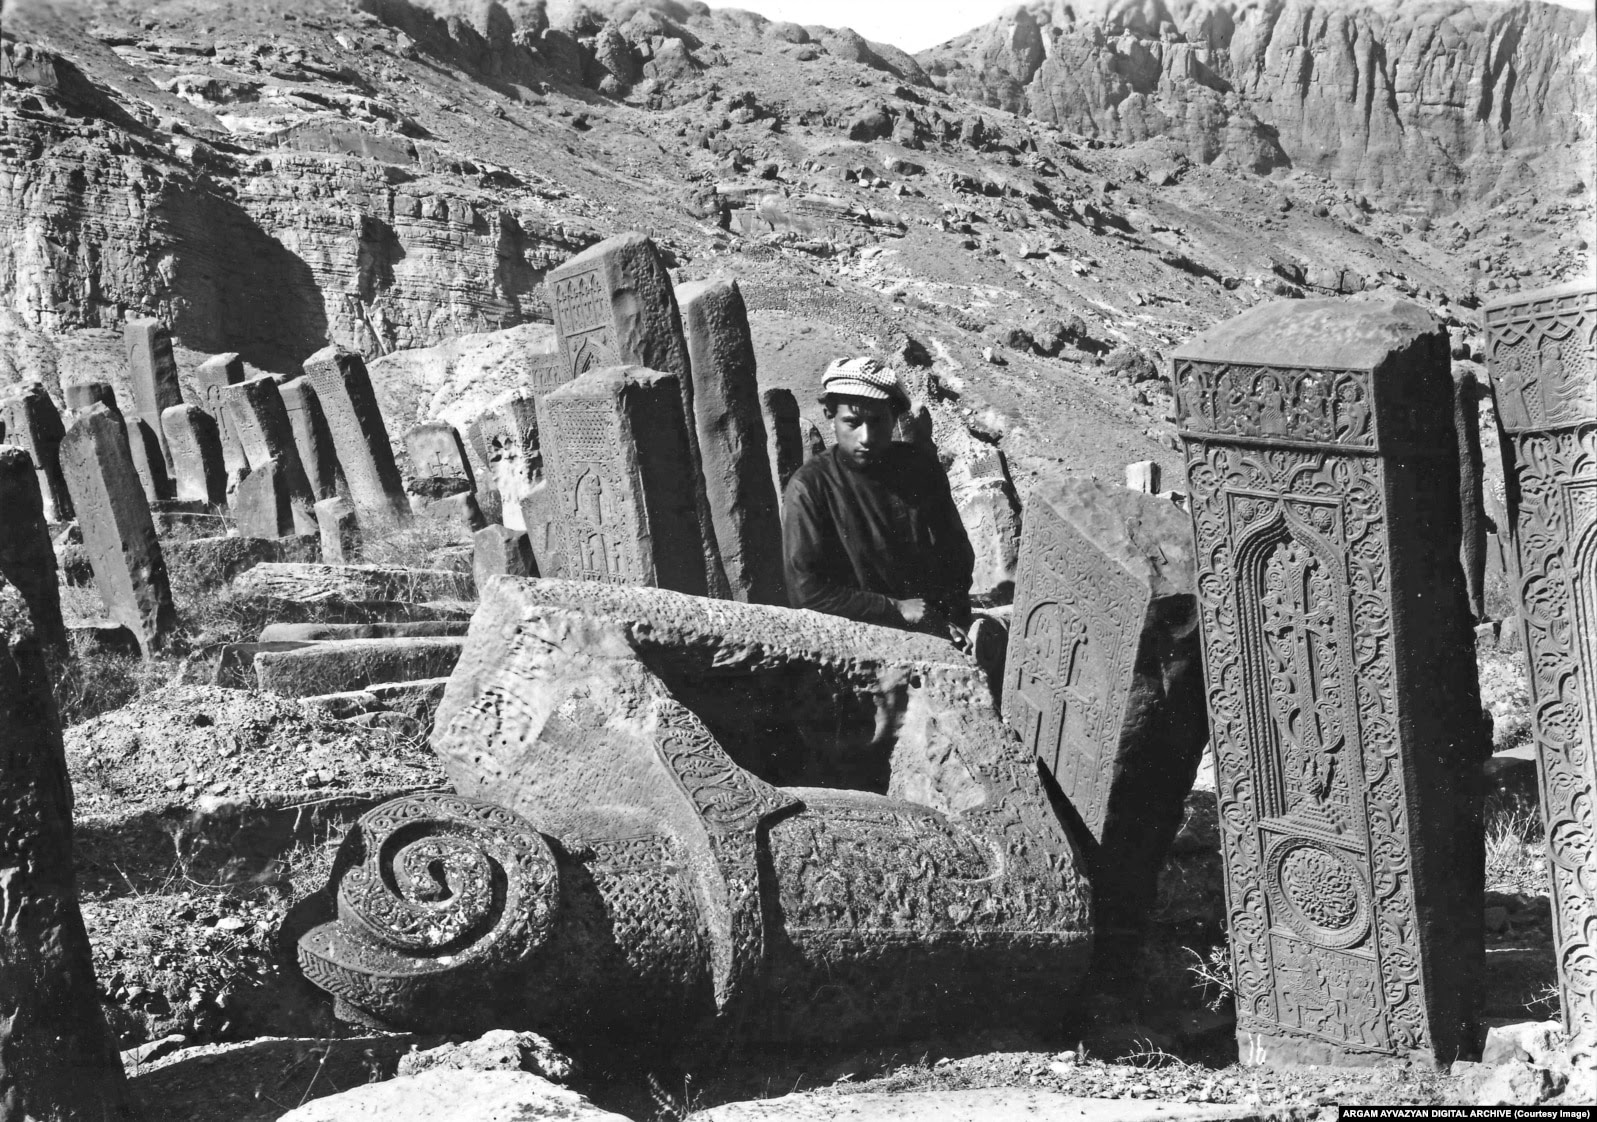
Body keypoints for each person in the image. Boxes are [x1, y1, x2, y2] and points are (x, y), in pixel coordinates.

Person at [781, 356, 974, 641]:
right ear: (828, 413)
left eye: (878, 421)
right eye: (853, 422)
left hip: (940, 627)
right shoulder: (809, 487)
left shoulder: (919, 467)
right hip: (858, 636)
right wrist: (894, 608)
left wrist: (947, 615)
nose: (866, 437)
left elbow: (956, 555)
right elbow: (805, 590)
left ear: (894, 418)